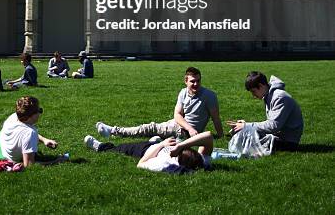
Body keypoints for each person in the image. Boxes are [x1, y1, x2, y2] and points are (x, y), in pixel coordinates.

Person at [96, 66, 223, 140]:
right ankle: (119, 133)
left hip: (183, 132)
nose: (196, 84)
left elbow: (216, 118)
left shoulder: (209, 95)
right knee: (153, 129)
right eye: (192, 81)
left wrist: (220, 136)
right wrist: (189, 128)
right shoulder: (183, 92)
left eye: (198, 81)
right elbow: (177, 115)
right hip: (181, 126)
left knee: (150, 127)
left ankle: (114, 131)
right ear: (185, 81)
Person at [227, 72, 304, 151]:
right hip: (277, 136)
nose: (253, 96)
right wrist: (245, 127)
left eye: (253, 91)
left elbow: (273, 126)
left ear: (261, 86)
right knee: (244, 134)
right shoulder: (269, 95)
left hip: (288, 142)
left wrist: (246, 126)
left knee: (247, 143)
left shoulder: (280, 97)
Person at [84, 131, 213, 174]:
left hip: (147, 151)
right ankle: (153, 141)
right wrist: (181, 146)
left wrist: (161, 145)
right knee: (154, 141)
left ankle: (101, 147)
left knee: (121, 148)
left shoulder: (164, 164)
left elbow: (141, 164)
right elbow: (208, 136)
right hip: (160, 144)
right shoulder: (201, 161)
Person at [0, 96, 58, 167]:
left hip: (0, 144)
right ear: (31, 116)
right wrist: (57, 161)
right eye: (39, 111)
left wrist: (44, 140)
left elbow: (24, 132)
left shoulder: (14, 116)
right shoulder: (30, 133)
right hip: (7, 158)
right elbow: (28, 165)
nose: (40, 113)